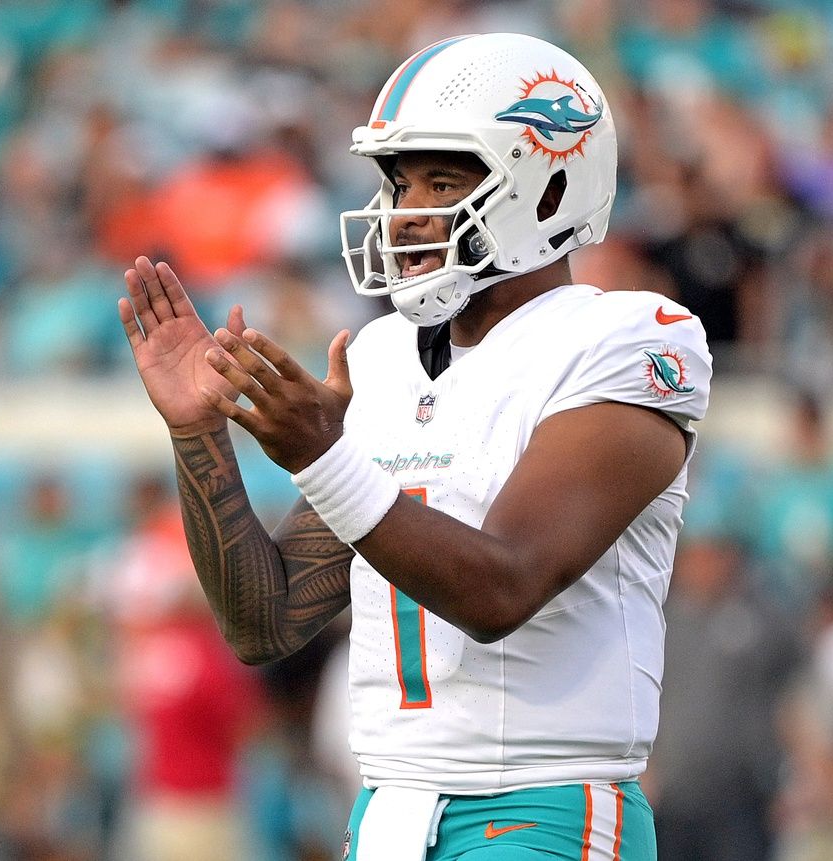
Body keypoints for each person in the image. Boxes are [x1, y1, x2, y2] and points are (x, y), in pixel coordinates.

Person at [119, 32, 712, 861]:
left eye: (442, 179)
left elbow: (502, 588)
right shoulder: (381, 356)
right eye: (399, 184)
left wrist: (327, 458)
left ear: (547, 189)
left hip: (541, 808)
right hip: (389, 812)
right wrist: (197, 431)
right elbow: (268, 620)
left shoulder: (630, 338)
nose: (407, 211)